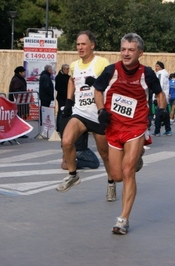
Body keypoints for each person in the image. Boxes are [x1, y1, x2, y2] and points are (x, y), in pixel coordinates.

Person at [94, 33, 169, 235]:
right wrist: (101, 111)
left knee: (127, 171)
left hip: (136, 126)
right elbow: (97, 90)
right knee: (117, 175)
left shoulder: (147, 73)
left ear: (140, 53)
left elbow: (159, 93)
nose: (126, 53)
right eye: (124, 49)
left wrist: (162, 111)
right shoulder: (111, 70)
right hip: (114, 127)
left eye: (131, 50)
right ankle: (136, 160)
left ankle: (123, 219)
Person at [55, 30, 117, 202]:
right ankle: (73, 175)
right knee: (66, 141)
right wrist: (68, 102)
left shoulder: (101, 62)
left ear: (92, 45)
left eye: (83, 44)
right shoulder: (74, 65)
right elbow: (71, 81)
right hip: (80, 112)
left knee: (104, 155)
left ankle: (111, 183)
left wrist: (97, 85)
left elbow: (112, 83)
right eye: (78, 44)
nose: (80, 47)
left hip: (98, 114)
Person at [153, 61, 171, 136]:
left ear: (161, 67)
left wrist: (156, 97)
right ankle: (168, 129)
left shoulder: (160, 74)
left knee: (158, 114)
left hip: (160, 97)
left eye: (157, 66)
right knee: (165, 114)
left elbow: (159, 85)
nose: (156, 68)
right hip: (165, 96)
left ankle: (157, 131)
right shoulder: (165, 74)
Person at [55, 64, 70, 132]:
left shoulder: (68, 77)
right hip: (62, 97)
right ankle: (59, 126)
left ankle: (66, 126)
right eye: (67, 69)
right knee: (61, 112)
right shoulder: (59, 77)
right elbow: (57, 87)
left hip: (67, 97)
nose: (68, 71)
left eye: (68, 69)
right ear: (63, 69)